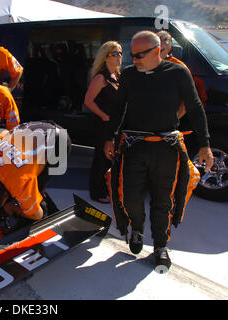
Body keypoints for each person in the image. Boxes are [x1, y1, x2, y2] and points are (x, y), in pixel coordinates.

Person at [104, 31, 214, 272]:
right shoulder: (131, 75)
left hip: (166, 148)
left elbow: (195, 107)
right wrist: (110, 137)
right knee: (130, 197)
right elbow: (119, 107)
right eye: (131, 55)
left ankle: (160, 247)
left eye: (139, 55)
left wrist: (204, 144)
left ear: (157, 51)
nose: (134, 60)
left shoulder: (178, 73)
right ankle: (137, 229)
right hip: (134, 147)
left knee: (163, 201)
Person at [0, 121, 71, 223]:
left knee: (38, 190)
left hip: (59, 142)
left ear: (5, 198)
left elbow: (37, 215)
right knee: (29, 183)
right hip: (38, 126)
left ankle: (45, 222)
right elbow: (4, 133)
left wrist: (13, 208)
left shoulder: (20, 185)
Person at [83, 41, 122, 203]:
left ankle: (106, 189)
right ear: (105, 57)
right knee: (101, 157)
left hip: (115, 124)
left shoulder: (117, 76)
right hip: (103, 124)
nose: (119, 56)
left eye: (120, 53)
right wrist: (103, 116)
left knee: (110, 157)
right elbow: (88, 101)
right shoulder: (101, 77)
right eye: (115, 53)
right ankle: (96, 192)